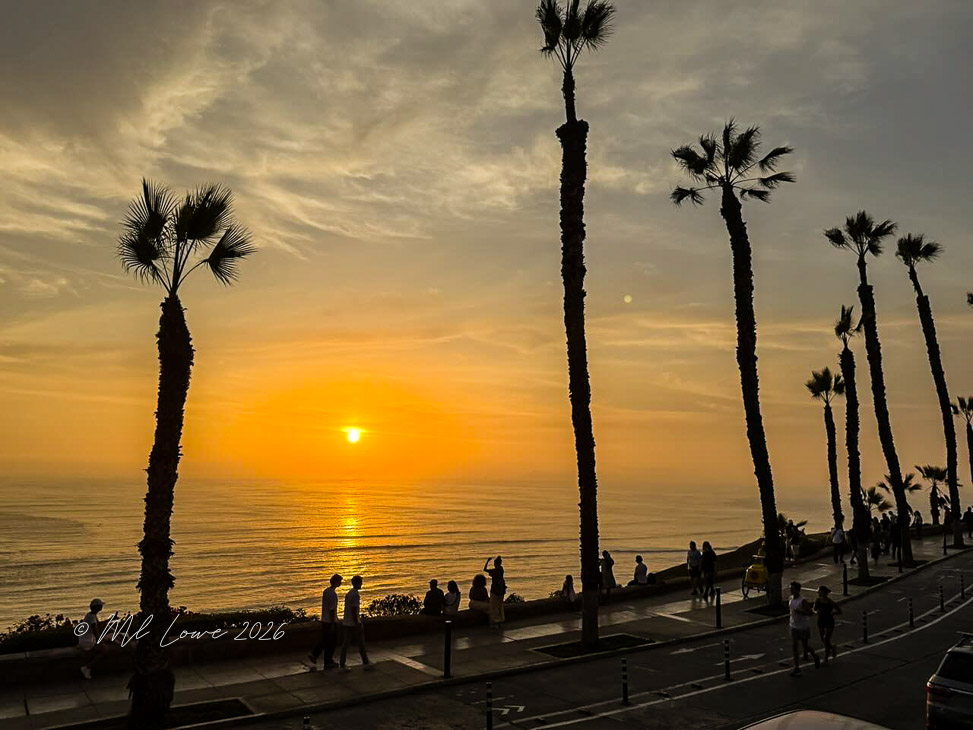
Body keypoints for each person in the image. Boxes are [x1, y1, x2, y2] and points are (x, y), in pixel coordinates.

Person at [304, 573, 342, 670]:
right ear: (336, 582)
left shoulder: (326, 591)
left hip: (324, 620)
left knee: (325, 640)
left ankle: (315, 654)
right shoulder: (332, 594)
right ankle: (328, 661)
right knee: (332, 642)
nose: (340, 583)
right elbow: (332, 609)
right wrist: (334, 623)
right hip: (329, 621)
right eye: (339, 581)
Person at [788, 581, 820, 676]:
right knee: (795, 647)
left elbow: (810, 613)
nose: (791, 591)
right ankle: (796, 667)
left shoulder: (803, 601)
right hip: (793, 625)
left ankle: (815, 656)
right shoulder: (790, 599)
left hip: (803, 626)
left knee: (805, 646)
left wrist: (801, 612)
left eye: (792, 589)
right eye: (790, 589)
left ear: (798, 590)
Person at [339, 575, 369, 668]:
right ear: (357, 583)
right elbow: (354, 609)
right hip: (353, 623)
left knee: (346, 643)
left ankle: (342, 662)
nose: (361, 584)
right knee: (361, 643)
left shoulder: (349, 593)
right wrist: (357, 623)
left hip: (346, 622)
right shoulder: (355, 594)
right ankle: (365, 661)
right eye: (360, 582)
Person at [79, 598, 107, 679]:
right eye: (100, 605)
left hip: (84, 639)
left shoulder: (90, 615)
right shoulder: (91, 617)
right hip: (87, 641)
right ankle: (87, 667)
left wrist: (110, 620)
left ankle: (88, 666)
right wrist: (100, 642)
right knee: (104, 650)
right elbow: (95, 630)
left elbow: (98, 625)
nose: (102, 607)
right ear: (97, 607)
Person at [813, 585, 841, 664]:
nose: (818, 593)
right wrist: (816, 612)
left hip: (829, 620)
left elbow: (839, 611)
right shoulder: (817, 601)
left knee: (826, 639)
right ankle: (832, 647)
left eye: (819, 591)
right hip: (821, 620)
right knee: (823, 639)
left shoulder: (830, 602)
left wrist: (833, 613)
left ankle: (826, 658)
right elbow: (814, 609)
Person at [484, 556, 506, 628]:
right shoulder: (501, 569)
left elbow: (485, 569)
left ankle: (496, 621)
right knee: (500, 605)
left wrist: (487, 561)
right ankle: (502, 620)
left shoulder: (495, 571)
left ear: (495, 563)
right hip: (502, 589)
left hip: (495, 590)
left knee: (494, 606)